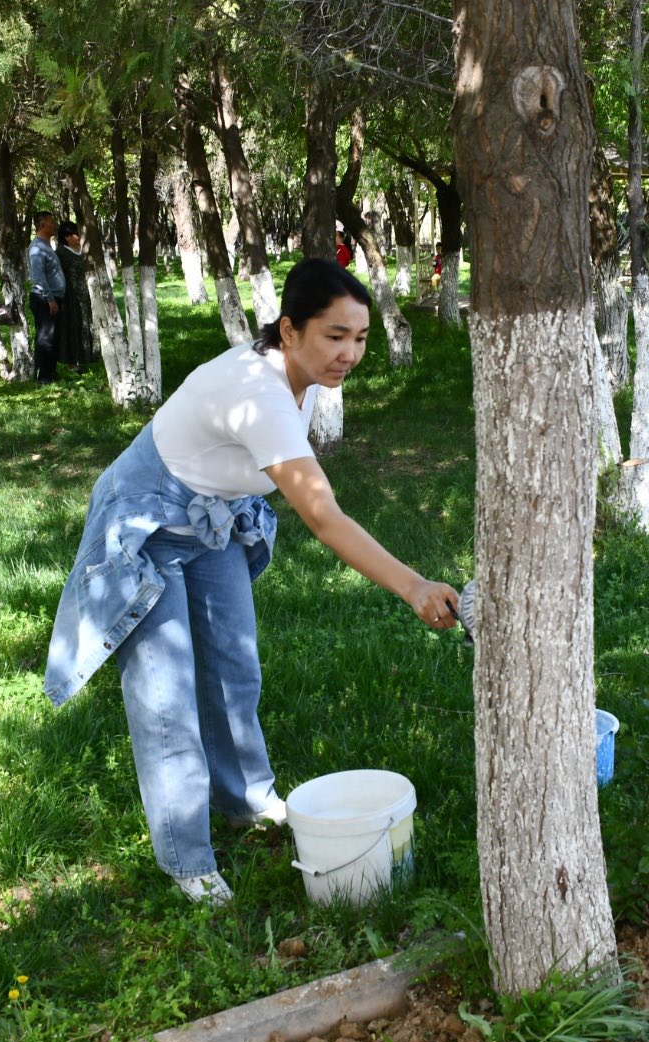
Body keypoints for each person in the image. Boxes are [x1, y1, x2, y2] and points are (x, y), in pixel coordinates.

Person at [43, 258, 459, 906]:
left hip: (210, 520)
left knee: (236, 665)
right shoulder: (257, 391)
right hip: (150, 522)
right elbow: (323, 516)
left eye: (360, 338)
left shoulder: (304, 375)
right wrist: (413, 585)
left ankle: (249, 802)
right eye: (334, 336)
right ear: (288, 330)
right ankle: (187, 859)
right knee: (165, 697)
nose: (349, 353)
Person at [27, 211, 67, 383]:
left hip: (53, 298)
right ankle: (43, 376)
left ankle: (51, 372)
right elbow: (38, 277)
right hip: (44, 299)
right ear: (42, 224)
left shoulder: (46, 246)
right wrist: (50, 299)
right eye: (51, 222)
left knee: (53, 337)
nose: (55, 225)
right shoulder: (37, 248)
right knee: (45, 337)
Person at [55, 221, 94, 373]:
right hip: (70, 296)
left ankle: (85, 358)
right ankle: (72, 363)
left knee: (85, 325)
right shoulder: (61, 253)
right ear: (66, 237)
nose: (77, 236)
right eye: (74, 234)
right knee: (72, 327)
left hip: (85, 295)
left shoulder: (82, 250)